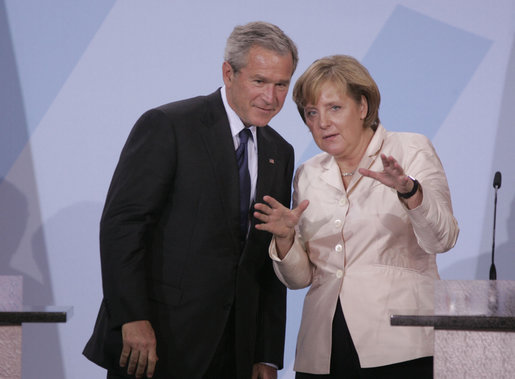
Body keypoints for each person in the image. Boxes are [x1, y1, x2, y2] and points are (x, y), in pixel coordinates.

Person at [83, 21, 298, 379]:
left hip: (236, 350)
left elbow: (264, 258)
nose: (271, 97)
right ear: (228, 73)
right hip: (159, 340)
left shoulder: (280, 150)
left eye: (281, 85)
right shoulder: (169, 125)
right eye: (259, 81)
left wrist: (267, 353)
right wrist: (131, 318)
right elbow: (123, 226)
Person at [254, 55, 459, 378]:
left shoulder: (410, 149)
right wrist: (285, 239)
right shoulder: (308, 174)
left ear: (363, 107)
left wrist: (409, 192)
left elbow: (442, 238)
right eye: (311, 112)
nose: (322, 122)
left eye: (335, 108)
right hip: (323, 347)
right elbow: (301, 279)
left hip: (401, 344)